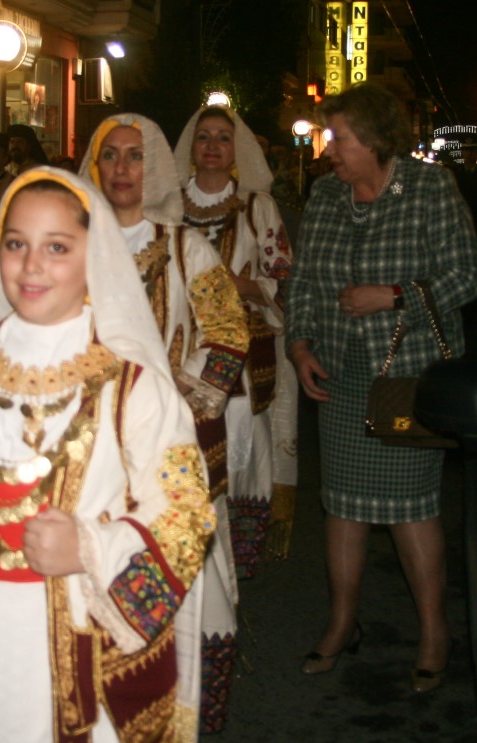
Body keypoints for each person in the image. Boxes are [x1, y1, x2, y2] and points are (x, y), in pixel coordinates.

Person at [0, 167, 215, 743]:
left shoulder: (132, 386)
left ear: (97, 258)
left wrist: (90, 547)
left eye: (57, 247)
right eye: (16, 243)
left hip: (81, 645)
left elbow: (186, 516)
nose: (31, 265)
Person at [284, 82, 477, 692]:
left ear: (373, 137)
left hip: (405, 380)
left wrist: (394, 297)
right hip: (340, 377)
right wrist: (300, 345)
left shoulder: (427, 187)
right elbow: (304, 280)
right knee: (342, 504)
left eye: (338, 138)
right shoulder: (325, 195)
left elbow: (466, 275)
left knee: (410, 508)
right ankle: (342, 623)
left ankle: (434, 633)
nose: (328, 150)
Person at [80, 113, 249, 736]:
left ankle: (184, 704)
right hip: (91, 443)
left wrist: (180, 395)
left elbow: (228, 336)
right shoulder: (75, 243)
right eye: (111, 155)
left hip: (167, 440)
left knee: (184, 565)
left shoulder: (186, 248)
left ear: (154, 167)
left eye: (135, 156)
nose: (121, 169)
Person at [174, 104, 298, 577]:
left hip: (240, 352)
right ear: (191, 147)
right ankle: (185, 544)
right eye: (204, 136)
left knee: (239, 440)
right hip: (179, 346)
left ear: (236, 149)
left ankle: (233, 556)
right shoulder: (167, 205)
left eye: (223, 137)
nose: (212, 146)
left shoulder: (256, 207)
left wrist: (235, 285)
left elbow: (281, 280)